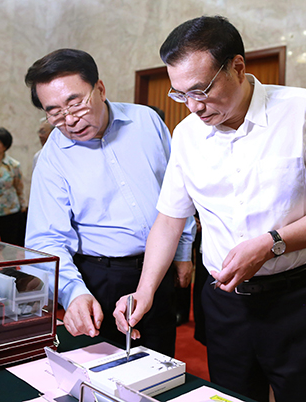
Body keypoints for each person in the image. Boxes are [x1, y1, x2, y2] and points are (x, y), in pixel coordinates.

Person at [113, 16, 306, 402]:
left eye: (201, 90)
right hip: (223, 303)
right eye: (181, 95)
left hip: (297, 298)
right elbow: (169, 219)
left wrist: (271, 244)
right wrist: (144, 291)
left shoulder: (303, 110)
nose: (194, 107)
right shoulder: (186, 135)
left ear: (237, 67)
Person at [24, 48, 195, 357]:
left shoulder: (147, 122)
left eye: (76, 103)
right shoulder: (51, 158)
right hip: (101, 278)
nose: (70, 120)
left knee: (161, 363)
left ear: (100, 89)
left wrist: (182, 251)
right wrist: (73, 294)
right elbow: (47, 237)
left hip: (160, 268)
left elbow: (180, 190)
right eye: (56, 113)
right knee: (105, 372)